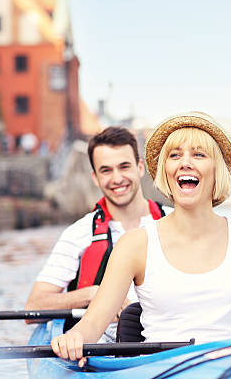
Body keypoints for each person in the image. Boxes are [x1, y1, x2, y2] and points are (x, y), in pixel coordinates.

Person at [51, 112, 231, 366]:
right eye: (175, 155)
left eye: (199, 154)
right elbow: (91, 326)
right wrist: (74, 339)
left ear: (217, 170)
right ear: (165, 171)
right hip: (163, 368)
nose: (185, 162)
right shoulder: (135, 245)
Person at [25, 126, 165, 342]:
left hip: (170, 339)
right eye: (106, 170)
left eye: (124, 166)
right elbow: (33, 308)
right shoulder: (79, 234)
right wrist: (94, 294)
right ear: (95, 177)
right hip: (104, 350)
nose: (117, 178)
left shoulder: (173, 222)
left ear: (140, 167)